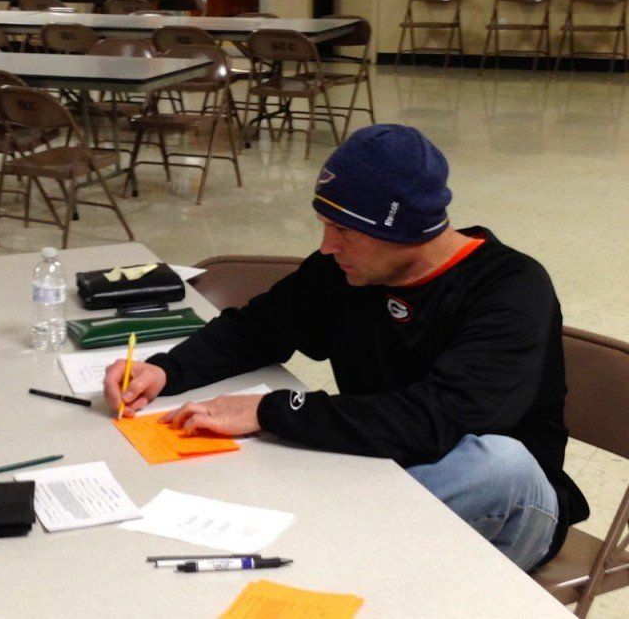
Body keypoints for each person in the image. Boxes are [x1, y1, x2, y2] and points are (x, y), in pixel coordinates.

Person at [104, 124, 589, 571]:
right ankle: (325, 551)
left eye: (344, 232)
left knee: (499, 463)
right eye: (325, 225)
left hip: (503, 499)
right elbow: (258, 328)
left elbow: (437, 420)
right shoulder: (346, 269)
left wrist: (273, 411)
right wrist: (165, 370)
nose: (327, 245)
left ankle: (314, 554)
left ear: (405, 233)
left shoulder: (510, 288)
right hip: (383, 468)